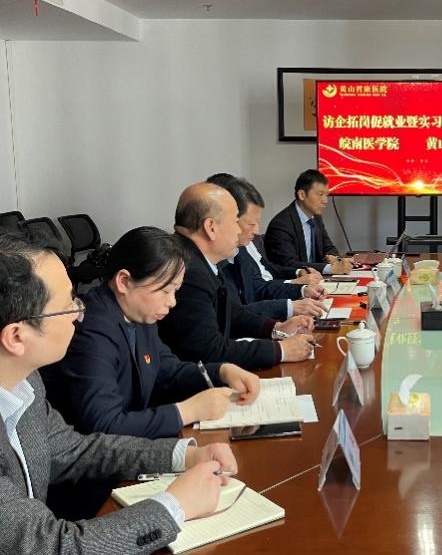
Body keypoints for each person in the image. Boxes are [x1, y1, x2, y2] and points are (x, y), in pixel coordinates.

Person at [0, 231, 238, 554]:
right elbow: (53, 546)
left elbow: (76, 450)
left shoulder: (26, 382)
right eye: (67, 305)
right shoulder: (92, 331)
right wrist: (175, 505)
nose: (79, 314)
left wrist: (183, 455)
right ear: (16, 337)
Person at [41, 226, 262, 439]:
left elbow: (167, 370)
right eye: (165, 291)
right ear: (124, 282)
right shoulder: (92, 332)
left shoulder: (138, 312)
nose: (172, 302)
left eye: (175, 291)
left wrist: (222, 372)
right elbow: (104, 425)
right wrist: (188, 411)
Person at [158, 183, 315, 371]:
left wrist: (277, 329)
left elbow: (231, 312)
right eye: (234, 221)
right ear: (211, 227)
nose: (239, 230)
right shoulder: (189, 272)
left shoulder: (201, 259)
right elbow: (209, 351)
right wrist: (281, 350)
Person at [206, 174, 328, 320]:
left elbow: (257, 287)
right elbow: (234, 315)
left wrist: (302, 291)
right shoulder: (199, 267)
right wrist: (288, 309)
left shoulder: (238, 249)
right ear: (212, 224)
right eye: (251, 223)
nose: (257, 231)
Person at [264, 169, 353, 274]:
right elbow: (288, 264)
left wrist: (334, 258)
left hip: (316, 279)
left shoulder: (316, 217)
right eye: (320, 194)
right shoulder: (281, 225)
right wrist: (329, 268)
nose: (325, 201)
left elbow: (328, 247)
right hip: (294, 281)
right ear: (302, 195)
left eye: (326, 195)